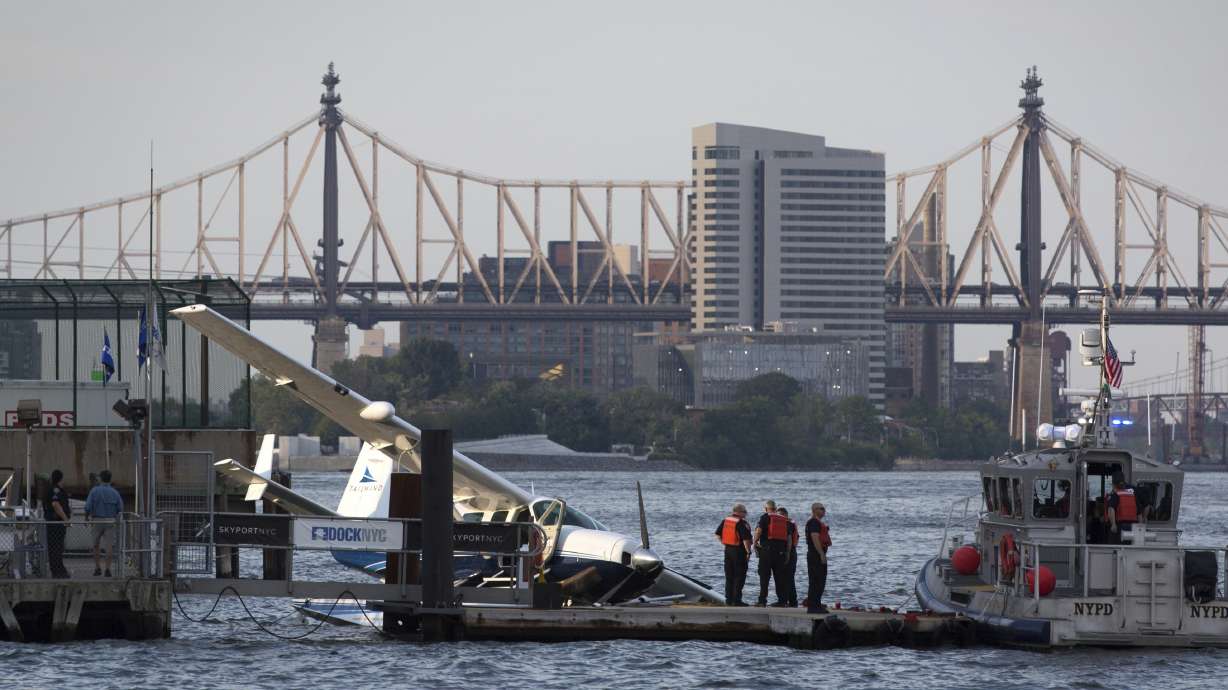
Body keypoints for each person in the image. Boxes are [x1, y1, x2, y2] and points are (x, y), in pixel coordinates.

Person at [85, 469, 124, 577]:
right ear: (110, 479)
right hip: (110, 521)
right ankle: (108, 569)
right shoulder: (115, 492)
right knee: (109, 546)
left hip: (97, 520)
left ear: (100, 478)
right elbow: (120, 508)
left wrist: (86, 517)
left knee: (95, 545)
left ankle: (97, 568)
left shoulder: (94, 491)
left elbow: (88, 506)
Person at [714, 503, 753, 606]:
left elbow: (717, 534)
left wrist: (724, 542)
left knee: (729, 576)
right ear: (739, 512)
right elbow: (746, 540)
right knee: (739, 576)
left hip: (728, 550)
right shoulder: (741, 523)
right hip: (739, 552)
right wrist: (748, 552)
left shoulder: (726, 521)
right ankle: (737, 600)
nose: (746, 514)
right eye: (744, 512)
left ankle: (728, 600)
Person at [753, 500, 789, 607]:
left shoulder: (765, 517)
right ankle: (782, 601)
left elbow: (759, 530)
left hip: (767, 551)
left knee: (764, 577)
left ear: (766, 508)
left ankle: (762, 601)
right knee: (779, 577)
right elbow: (788, 537)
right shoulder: (783, 519)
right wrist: (787, 552)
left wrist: (755, 542)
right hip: (780, 552)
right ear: (775, 508)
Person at [805, 502, 831, 613]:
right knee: (817, 580)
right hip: (815, 555)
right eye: (821, 508)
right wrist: (821, 554)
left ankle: (816, 604)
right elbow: (815, 538)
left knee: (819, 580)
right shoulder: (814, 523)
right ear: (814, 510)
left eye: (824, 509)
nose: (824, 511)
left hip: (817, 554)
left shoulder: (817, 522)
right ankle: (813, 606)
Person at [45, 469, 71, 579]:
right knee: (56, 547)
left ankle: (58, 569)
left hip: (54, 523)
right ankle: (57, 571)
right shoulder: (56, 490)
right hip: (56, 523)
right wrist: (65, 519)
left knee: (56, 547)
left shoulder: (51, 489)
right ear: (61, 479)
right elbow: (56, 504)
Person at [776, 507, 799, 607]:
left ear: (786, 515)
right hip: (789, 552)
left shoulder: (787, 524)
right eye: (778, 515)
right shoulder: (790, 523)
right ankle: (790, 601)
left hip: (789, 553)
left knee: (787, 578)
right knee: (787, 578)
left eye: (781, 515)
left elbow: (789, 539)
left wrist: (788, 553)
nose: (779, 517)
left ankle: (787, 601)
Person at [1106, 471, 1138, 544]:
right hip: (1132, 526)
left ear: (1114, 484)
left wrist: (1113, 524)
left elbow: (1111, 509)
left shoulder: (1116, 494)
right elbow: (1138, 511)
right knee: (1128, 545)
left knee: (1116, 545)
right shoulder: (1132, 495)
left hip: (1120, 526)